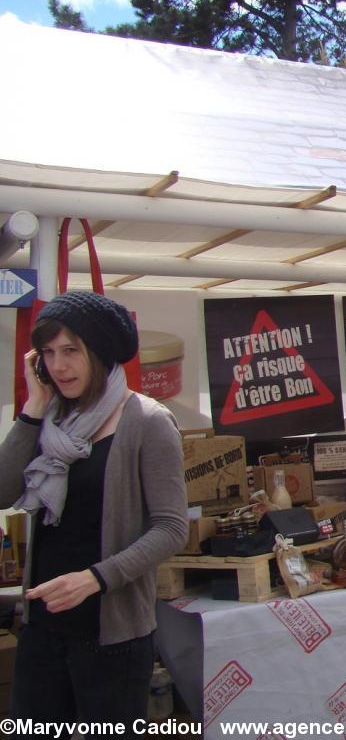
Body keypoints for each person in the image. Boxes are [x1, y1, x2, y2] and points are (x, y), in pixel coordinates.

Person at [0, 292, 188, 734]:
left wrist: (95, 578)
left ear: (99, 353)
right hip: (43, 629)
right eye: (48, 353)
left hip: (111, 637)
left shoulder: (146, 420)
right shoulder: (52, 418)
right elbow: (3, 492)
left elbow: (172, 528)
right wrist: (31, 411)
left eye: (71, 351)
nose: (59, 366)